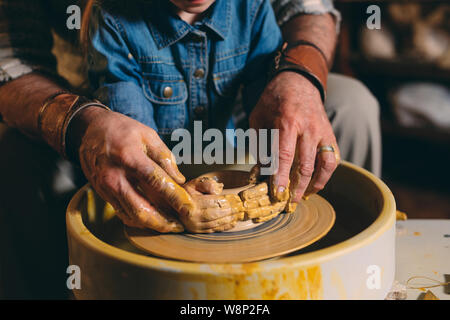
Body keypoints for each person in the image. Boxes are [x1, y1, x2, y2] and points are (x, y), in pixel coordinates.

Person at [0, 0, 381, 298]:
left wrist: (294, 88)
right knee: (17, 158)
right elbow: (131, 131)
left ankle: (353, 271)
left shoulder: (254, 8)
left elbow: (263, 96)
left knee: (355, 107)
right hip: (140, 138)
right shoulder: (111, 16)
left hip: (231, 136)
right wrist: (170, 188)